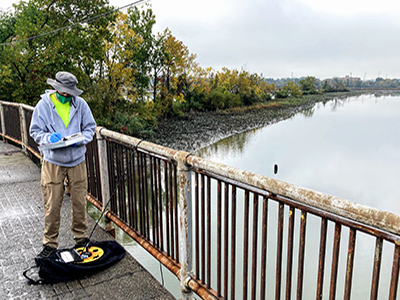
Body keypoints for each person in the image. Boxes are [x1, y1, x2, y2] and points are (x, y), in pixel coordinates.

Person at [29, 71, 96, 258]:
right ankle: (50, 244)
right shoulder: (43, 106)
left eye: (69, 93)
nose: (66, 96)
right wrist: (48, 138)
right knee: (52, 202)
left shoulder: (81, 104)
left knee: (79, 201)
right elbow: (35, 131)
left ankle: (81, 238)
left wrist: (81, 139)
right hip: (53, 161)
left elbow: (90, 127)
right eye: (63, 92)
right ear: (55, 88)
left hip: (77, 160)